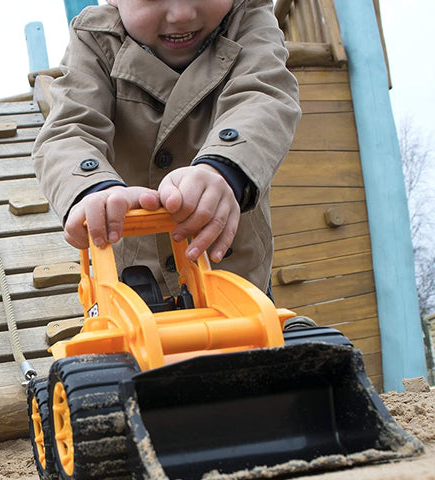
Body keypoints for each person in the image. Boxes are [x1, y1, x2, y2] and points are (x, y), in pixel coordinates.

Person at [33, 0, 302, 297]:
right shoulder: (96, 38)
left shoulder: (247, 18)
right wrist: (93, 188)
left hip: (234, 272)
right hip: (137, 277)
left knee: (254, 334)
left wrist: (224, 167)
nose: (183, 14)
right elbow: (70, 129)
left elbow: (264, 94)